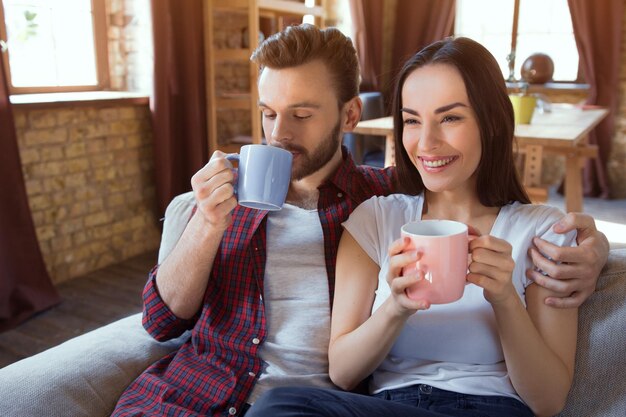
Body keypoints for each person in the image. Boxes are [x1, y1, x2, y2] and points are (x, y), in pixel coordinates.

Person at [112, 25, 608, 416]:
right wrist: (205, 224)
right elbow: (160, 323)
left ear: (350, 115)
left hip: (318, 404)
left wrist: (596, 246)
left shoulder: (374, 198)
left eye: (301, 114)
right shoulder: (224, 198)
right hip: (193, 396)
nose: (277, 135)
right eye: (268, 113)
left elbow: (452, 188)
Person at [245, 37, 583, 417]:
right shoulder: (374, 219)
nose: (427, 142)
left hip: (491, 409)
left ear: (490, 122)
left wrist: (505, 298)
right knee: (279, 406)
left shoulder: (543, 233)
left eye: (450, 118)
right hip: (390, 406)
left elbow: (549, 401)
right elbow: (342, 372)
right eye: (411, 120)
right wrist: (396, 307)